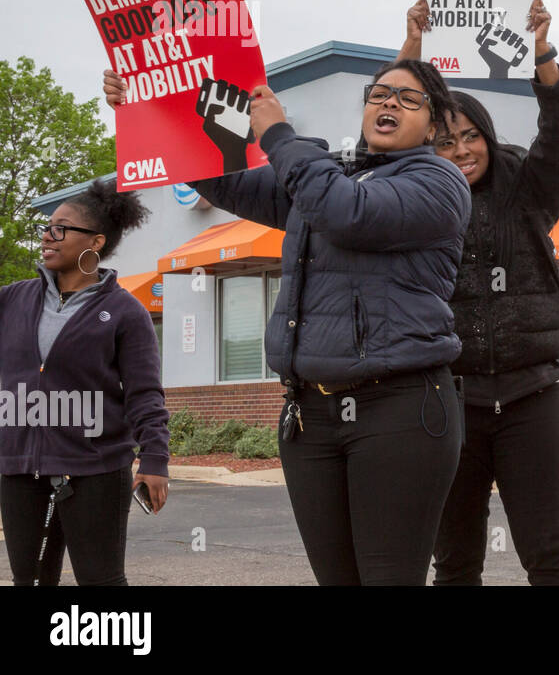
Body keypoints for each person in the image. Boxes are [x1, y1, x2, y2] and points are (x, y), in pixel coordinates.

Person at [104, 59, 471, 585]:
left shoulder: (437, 181)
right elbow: (220, 181)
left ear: (434, 127)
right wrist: (145, 109)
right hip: (310, 415)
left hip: (399, 411)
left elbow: (345, 211)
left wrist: (277, 133)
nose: (388, 102)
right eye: (380, 93)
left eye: (408, 99)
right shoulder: (330, 175)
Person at [398, 0, 559, 585]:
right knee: (454, 559)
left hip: (533, 395)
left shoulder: (528, 186)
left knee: (548, 552)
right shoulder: (413, 196)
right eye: (445, 141)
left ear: (486, 134)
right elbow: (384, 141)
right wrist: (412, 47)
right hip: (449, 402)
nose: (459, 150)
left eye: (470, 136)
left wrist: (542, 54)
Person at [0, 180, 169, 586]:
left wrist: (155, 460)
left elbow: (145, 394)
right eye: (46, 227)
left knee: (101, 579)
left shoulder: (125, 312)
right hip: (22, 470)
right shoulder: (12, 300)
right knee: (33, 580)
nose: (47, 235)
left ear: (94, 241)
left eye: (61, 228)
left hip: (95, 469)